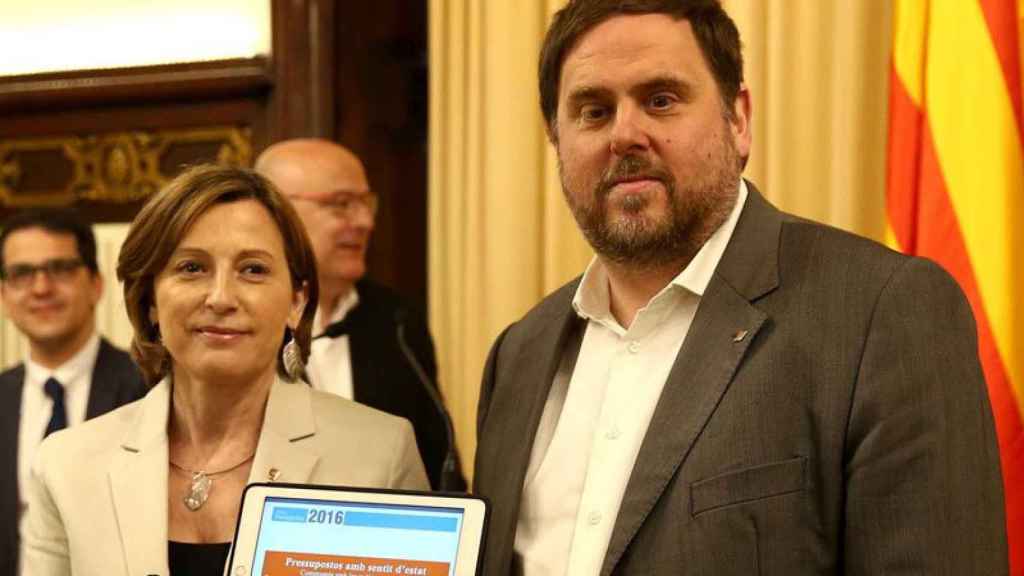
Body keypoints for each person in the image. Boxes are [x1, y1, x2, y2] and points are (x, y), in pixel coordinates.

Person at [473, 1, 1007, 574]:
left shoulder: (884, 314)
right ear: (556, 139)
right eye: (594, 111)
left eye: (661, 100)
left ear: (739, 119)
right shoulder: (517, 357)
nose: (625, 134)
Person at [21, 165, 428, 576]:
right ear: (150, 301)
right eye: (192, 268)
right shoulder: (68, 464)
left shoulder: (379, 454)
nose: (220, 298)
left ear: (297, 301)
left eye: (253, 269)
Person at [256, 139, 465, 491]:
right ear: (275, 214)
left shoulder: (396, 321)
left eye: (367, 203)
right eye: (342, 205)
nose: (365, 221)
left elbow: (435, 463)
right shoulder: (241, 322)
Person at [0, 208, 145, 576]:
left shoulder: (146, 389)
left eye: (60, 269)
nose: (41, 288)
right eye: (21, 274)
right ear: (3, 294)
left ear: (96, 283)